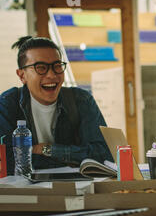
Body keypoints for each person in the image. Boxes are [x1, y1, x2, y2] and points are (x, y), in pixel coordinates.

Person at [0, 36, 113, 175]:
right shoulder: (7, 104)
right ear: (22, 75)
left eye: (57, 66)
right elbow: (8, 160)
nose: (52, 75)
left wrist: (47, 149)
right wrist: (72, 157)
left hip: (75, 189)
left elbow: (104, 154)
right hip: (24, 191)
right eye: (41, 68)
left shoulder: (81, 100)